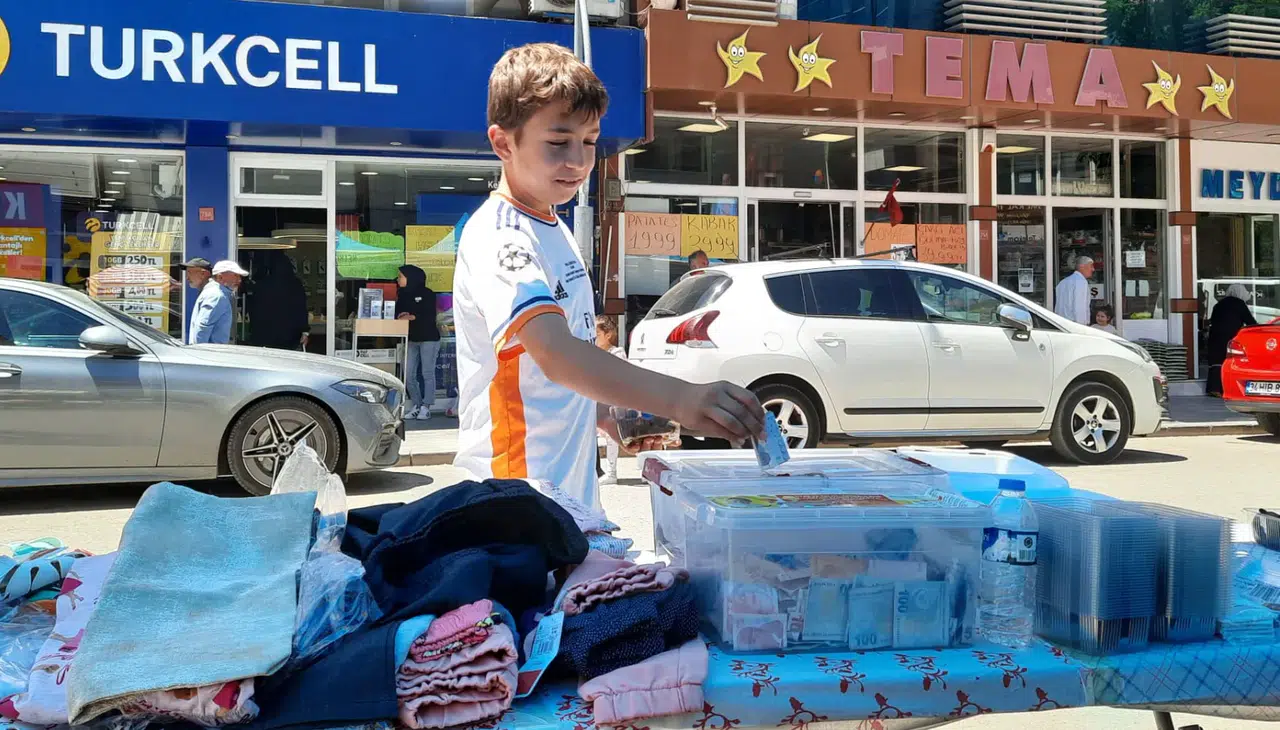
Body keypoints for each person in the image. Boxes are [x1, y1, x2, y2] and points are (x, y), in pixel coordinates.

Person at [451, 43, 765, 510]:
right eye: (558, 142)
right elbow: (556, 354)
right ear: (503, 144)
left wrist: (607, 416)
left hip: (567, 503)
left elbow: (545, 376)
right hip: (517, 502)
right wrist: (681, 399)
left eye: (590, 141)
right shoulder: (501, 236)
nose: (578, 161)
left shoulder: (552, 225)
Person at [396, 264, 441, 421]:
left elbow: (429, 315)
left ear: (411, 278)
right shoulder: (402, 294)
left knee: (427, 373)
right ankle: (417, 404)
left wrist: (412, 316)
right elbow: (398, 313)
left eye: (400, 276)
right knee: (408, 374)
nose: (398, 279)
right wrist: (401, 315)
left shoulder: (428, 294)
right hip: (411, 338)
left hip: (429, 338)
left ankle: (426, 407)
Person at [246, 252, 310, 351]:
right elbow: (301, 308)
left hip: (266, 336)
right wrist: (305, 331)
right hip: (290, 336)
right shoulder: (296, 284)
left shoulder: (262, 285)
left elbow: (255, 310)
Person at [1205, 283, 1258, 397]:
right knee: (1229, 361)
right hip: (1231, 336)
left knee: (1216, 362)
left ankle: (1213, 388)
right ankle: (1226, 388)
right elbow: (1250, 322)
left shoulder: (1219, 304)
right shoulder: (1240, 304)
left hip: (1215, 336)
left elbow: (1212, 320)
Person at [595, 315, 625, 485]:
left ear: (608, 335)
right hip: (600, 400)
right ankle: (607, 471)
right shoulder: (595, 354)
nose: (595, 339)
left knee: (615, 436)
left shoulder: (617, 353)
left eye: (598, 335)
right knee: (606, 436)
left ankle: (612, 472)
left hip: (615, 402)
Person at [189, 260, 248, 345]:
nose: (239, 280)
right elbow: (202, 328)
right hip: (210, 352)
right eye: (235, 275)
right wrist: (199, 351)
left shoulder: (214, 292)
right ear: (220, 277)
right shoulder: (217, 296)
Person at [1054, 256, 1094, 325]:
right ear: (1082, 267)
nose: (1093, 269)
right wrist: (1082, 325)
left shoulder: (1062, 282)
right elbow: (1079, 306)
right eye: (1091, 266)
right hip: (1074, 325)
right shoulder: (1081, 281)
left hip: (1060, 323)